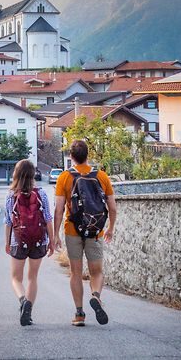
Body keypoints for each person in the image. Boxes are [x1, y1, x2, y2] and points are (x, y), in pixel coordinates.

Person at [53, 140, 117, 327]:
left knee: (75, 272)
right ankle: (95, 296)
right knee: (97, 272)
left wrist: (55, 235)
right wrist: (110, 229)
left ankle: (79, 314)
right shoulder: (102, 176)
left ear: (71, 157)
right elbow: (112, 207)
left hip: (72, 230)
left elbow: (58, 209)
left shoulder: (64, 177)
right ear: (88, 155)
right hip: (95, 231)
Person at [4, 159, 55, 326]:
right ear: (33, 175)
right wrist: (51, 240)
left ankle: (23, 300)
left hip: (18, 240)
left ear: (16, 174)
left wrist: (7, 242)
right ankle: (29, 311)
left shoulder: (11, 195)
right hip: (39, 240)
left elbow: (8, 221)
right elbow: (48, 219)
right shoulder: (41, 194)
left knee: (16, 278)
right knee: (33, 277)